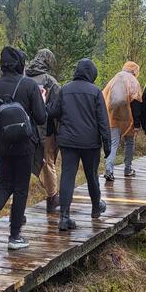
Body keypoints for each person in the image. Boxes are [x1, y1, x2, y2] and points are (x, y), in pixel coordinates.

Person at [0, 47, 46, 251]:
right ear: (20, 64)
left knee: (4, 184)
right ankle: (14, 237)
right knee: (21, 189)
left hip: (2, 145)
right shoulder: (29, 85)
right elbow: (41, 117)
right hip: (25, 145)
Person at [47, 59, 111, 230]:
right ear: (91, 74)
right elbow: (103, 120)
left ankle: (64, 217)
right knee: (92, 176)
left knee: (67, 176)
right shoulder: (96, 92)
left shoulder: (65, 89)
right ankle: (96, 208)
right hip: (90, 143)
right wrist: (107, 144)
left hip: (68, 141)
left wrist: (45, 101)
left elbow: (53, 112)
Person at [25, 48, 61, 213]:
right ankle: (52, 198)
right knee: (48, 163)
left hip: (24, 129)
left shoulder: (23, 78)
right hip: (45, 130)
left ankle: (16, 205)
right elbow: (58, 107)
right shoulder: (50, 81)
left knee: (21, 166)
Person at [102, 61, 143, 181]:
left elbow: (104, 97)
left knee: (113, 144)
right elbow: (136, 104)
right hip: (128, 118)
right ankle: (128, 169)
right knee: (129, 143)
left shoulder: (114, 79)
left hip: (113, 117)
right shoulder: (134, 82)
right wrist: (136, 124)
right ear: (135, 70)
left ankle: (109, 170)